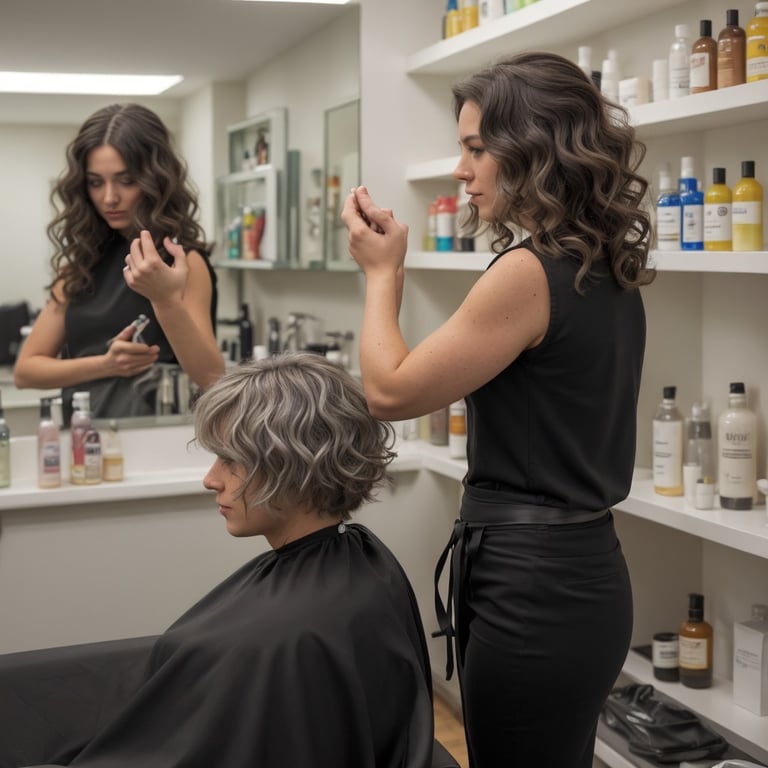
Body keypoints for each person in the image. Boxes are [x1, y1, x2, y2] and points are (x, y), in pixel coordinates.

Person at [342, 51, 655, 768]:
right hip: (580, 573)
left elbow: (388, 391)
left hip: (534, 589)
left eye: (477, 149)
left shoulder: (527, 273)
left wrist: (384, 275)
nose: (462, 170)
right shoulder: (604, 265)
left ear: (533, 150)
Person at [1, 353, 434, 768]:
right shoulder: (360, 553)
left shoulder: (286, 642)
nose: (211, 479)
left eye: (232, 460)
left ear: (294, 465)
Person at [13, 103, 224, 421]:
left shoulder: (184, 261)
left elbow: (212, 378)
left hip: (155, 440)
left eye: (126, 181)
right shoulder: (80, 264)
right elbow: (26, 372)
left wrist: (165, 299)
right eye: (96, 182)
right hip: (81, 438)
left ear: (156, 180)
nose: (109, 197)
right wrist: (106, 364)